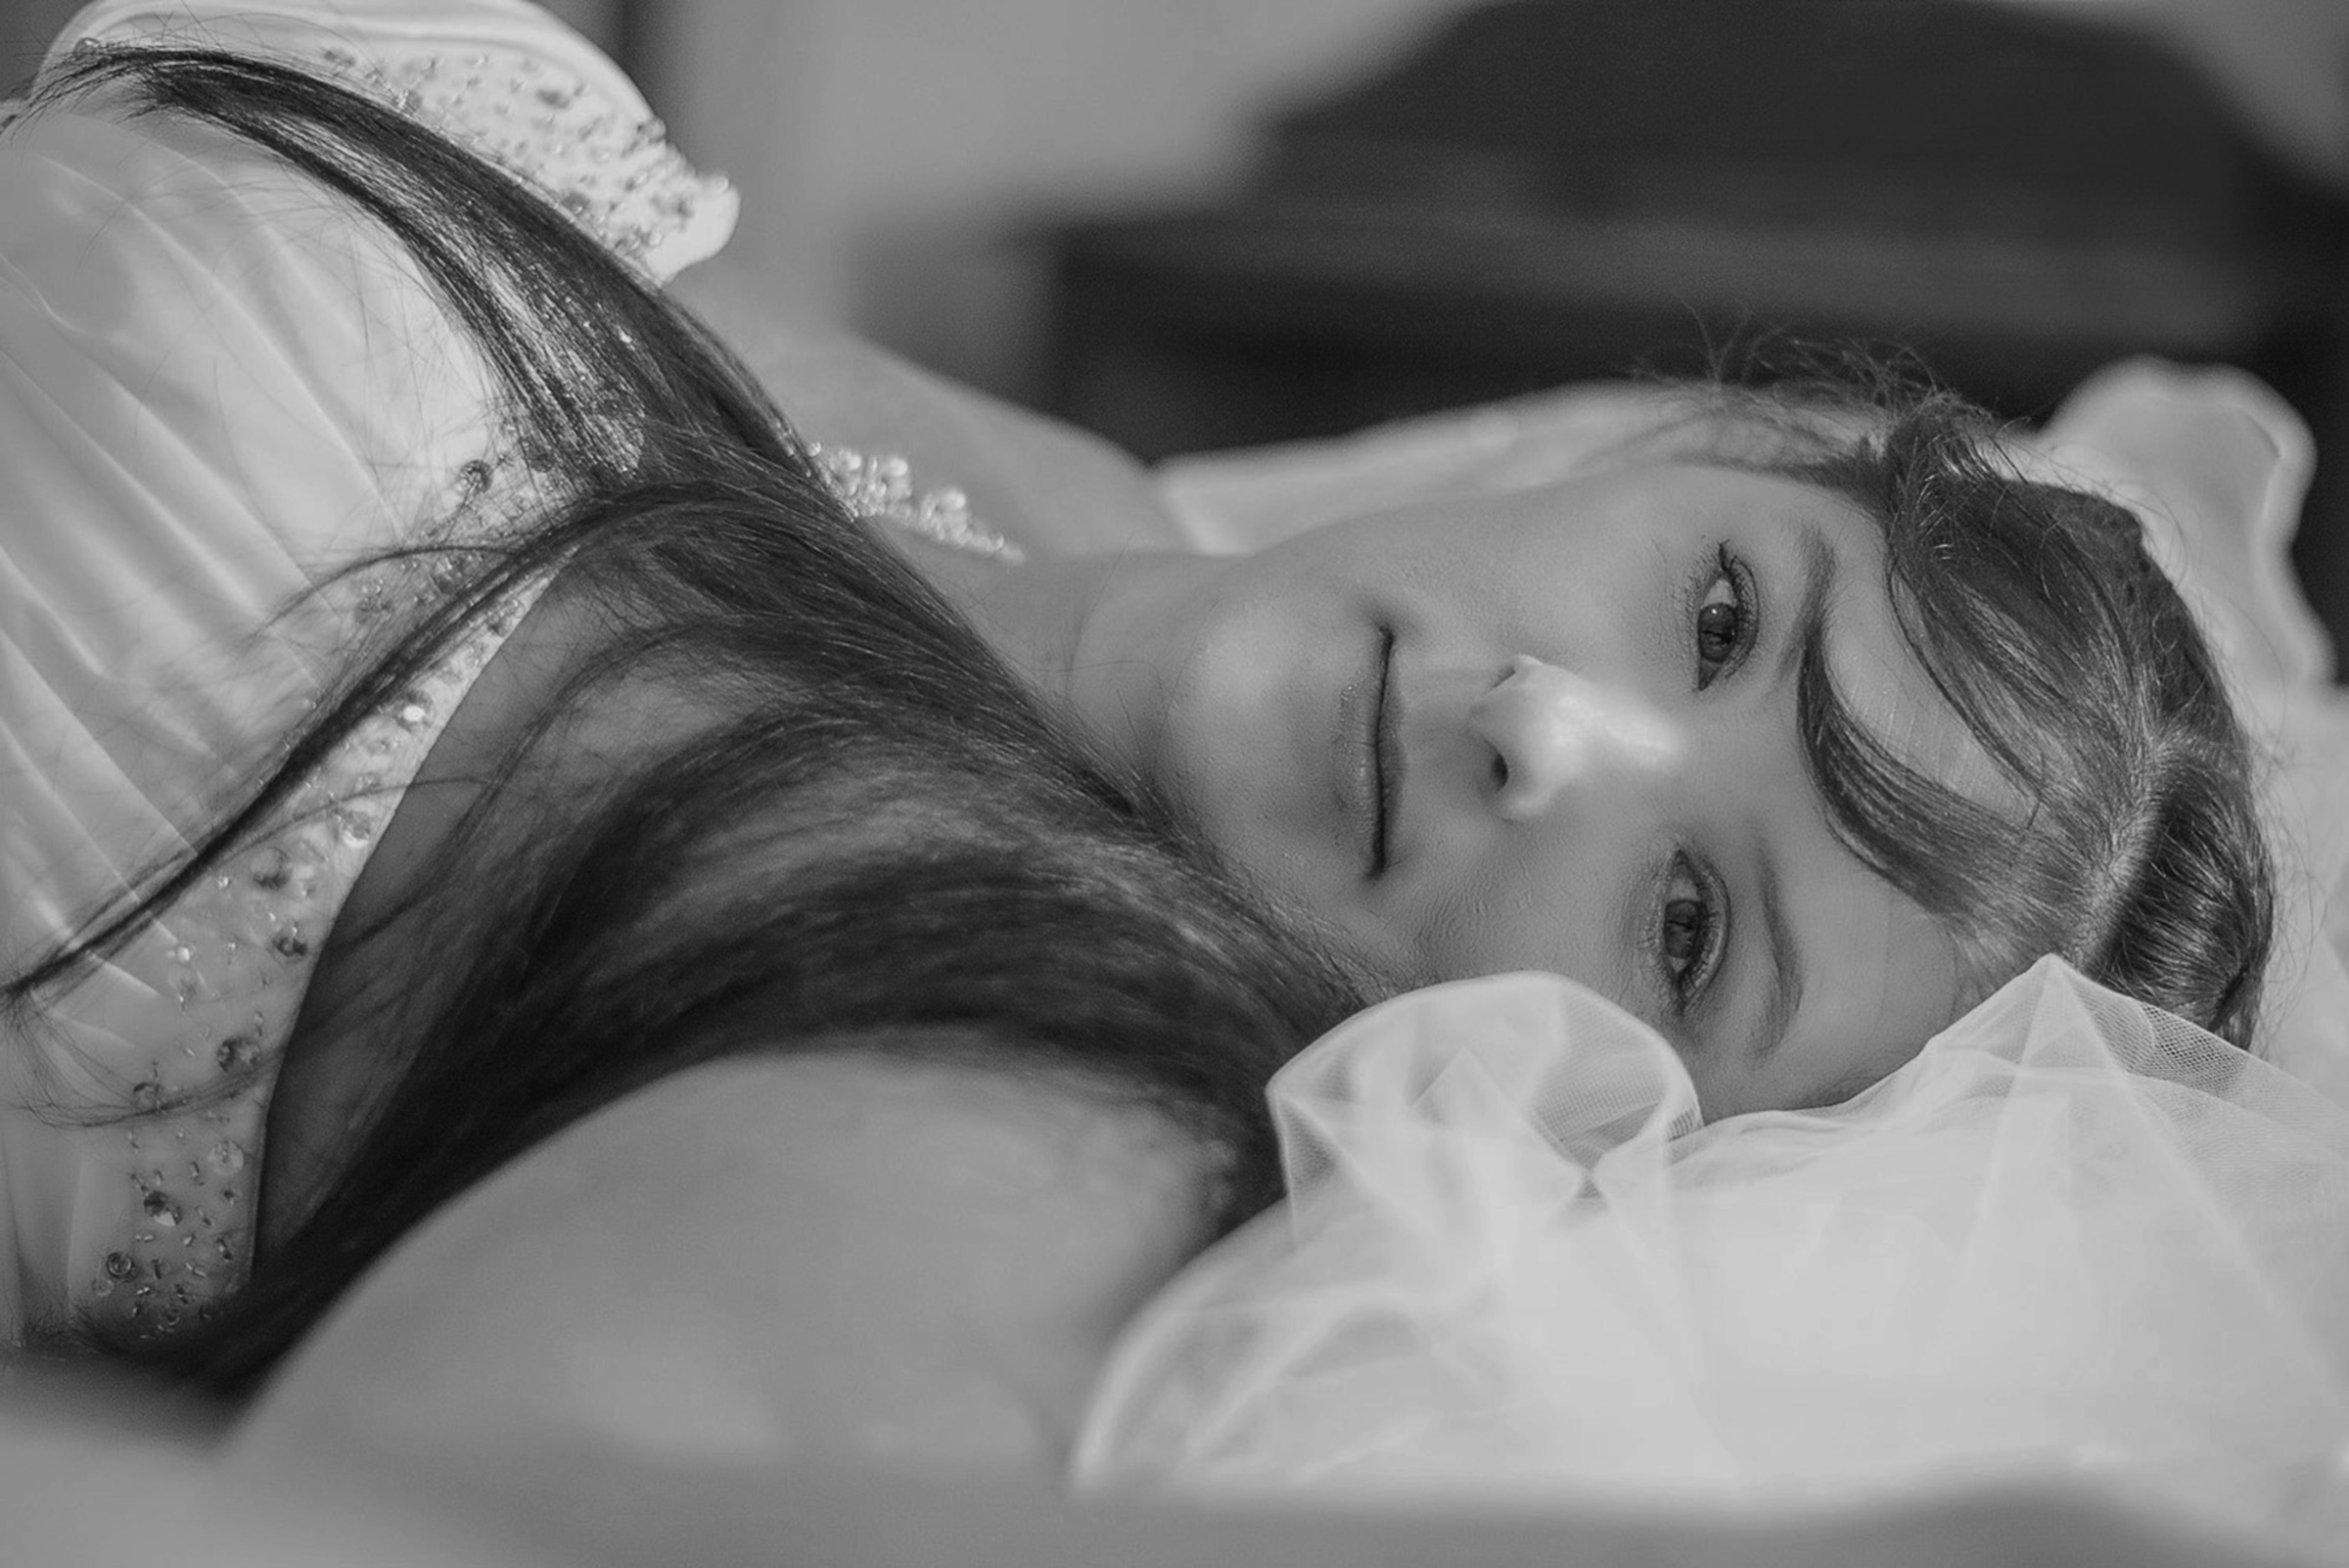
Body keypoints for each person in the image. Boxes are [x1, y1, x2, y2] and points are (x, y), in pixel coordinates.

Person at [0, 0, 2277, 1407]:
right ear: (1690, 459)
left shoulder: (984, 1122)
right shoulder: (1078, 508)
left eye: (1687, 927)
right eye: (1715, 619)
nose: (1542, 740)